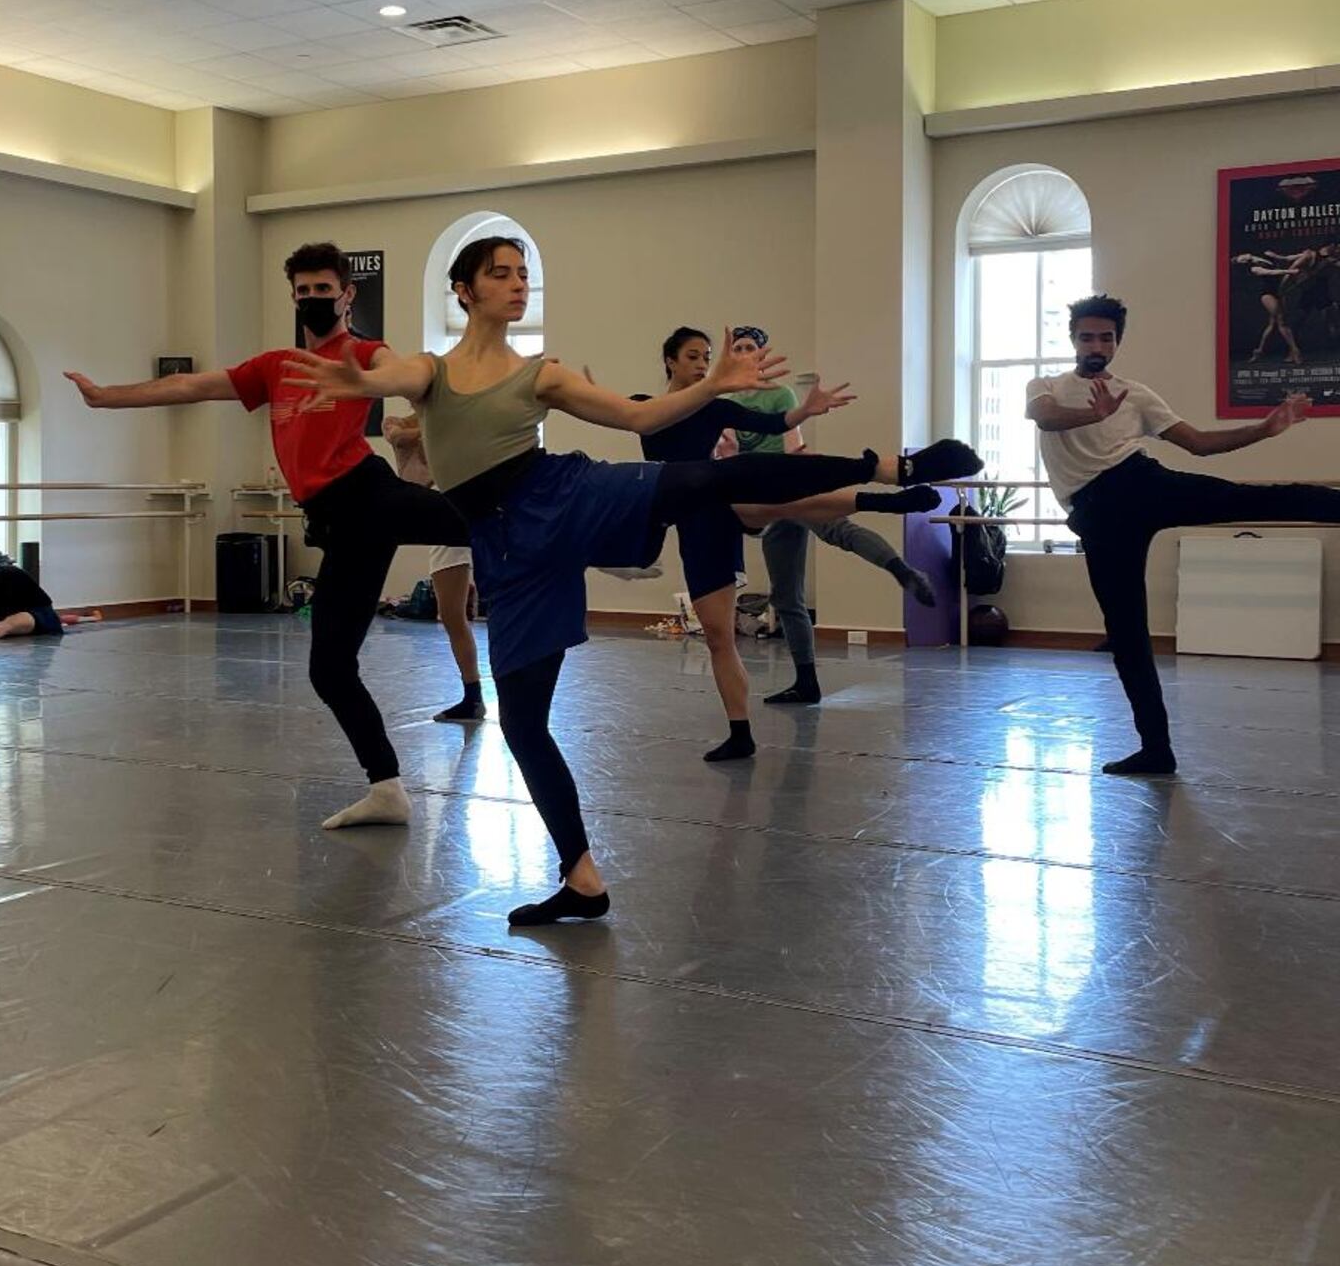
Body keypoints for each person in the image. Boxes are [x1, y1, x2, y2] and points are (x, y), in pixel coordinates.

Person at [286, 234, 979, 926]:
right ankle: (582, 879)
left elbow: (639, 416)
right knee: (523, 724)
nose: (517, 283)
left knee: (711, 479)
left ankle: (889, 468)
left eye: (524, 272)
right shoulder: (433, 369)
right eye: (501, 273)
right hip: (509, 551)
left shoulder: (541, 374)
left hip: (563, 496)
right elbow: (392, 378)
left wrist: (709, 387)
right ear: (464, 291)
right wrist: (360, 380)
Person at [67, 242, 469, 830]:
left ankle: (605, 541)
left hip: (369, 494)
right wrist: (107, 399)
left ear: (347, 294)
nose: (313, 300)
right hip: (341, 526)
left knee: (479, 521)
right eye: (303, 292)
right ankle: (387, 788)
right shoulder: (276, 366)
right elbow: (193, 388)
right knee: (329, 669)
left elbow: (403, 372)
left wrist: (382, 382)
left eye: (324, 290)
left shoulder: (361, 351)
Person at [1028, 292, 1340, 778]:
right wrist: (1094, 414)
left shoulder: (1136, 394)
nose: (1096, 344)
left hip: (1138, 485)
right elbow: (1045, 417)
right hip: (1097, 514)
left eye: (1105, 338)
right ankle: (1156, 749)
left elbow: (1197, 444)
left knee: (1249, 500)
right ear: (1072, 339)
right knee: (1127, 634)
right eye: (1087, 336)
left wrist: (1265, 428)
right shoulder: (1045, 385)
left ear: (1117, 343)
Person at [631, 326, 865, 762]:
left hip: (710, 514)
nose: (703, 364)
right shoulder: (648, 407)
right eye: (694, 357)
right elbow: (623, 416)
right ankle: (741, 735)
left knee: (721, 635)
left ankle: (740, 732)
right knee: (717, 634)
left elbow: (773, 422)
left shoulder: (715, 408)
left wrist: (806, 410)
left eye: (706, 357)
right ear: (670, 361)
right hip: (667, 509)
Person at [723, 324, 937, 706]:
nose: (742, 352)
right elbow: (726, 453)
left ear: (760, 355)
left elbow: (793, 444)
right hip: (760, 499)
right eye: (736, 347)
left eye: (749, 347)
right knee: (786, 596)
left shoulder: (780, 394)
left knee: (838, 528)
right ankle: (806, 681)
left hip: (787, 484)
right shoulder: (726, 400)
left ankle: (900, 568)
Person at [382, 410, 484, 721]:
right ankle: (473, 695)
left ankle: (474, 696)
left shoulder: (445, 421)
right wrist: (432, 428)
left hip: (450, 513)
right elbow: (395, 434)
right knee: (451, 616)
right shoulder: (401, 422)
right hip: (436, 515)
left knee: (453, 616)